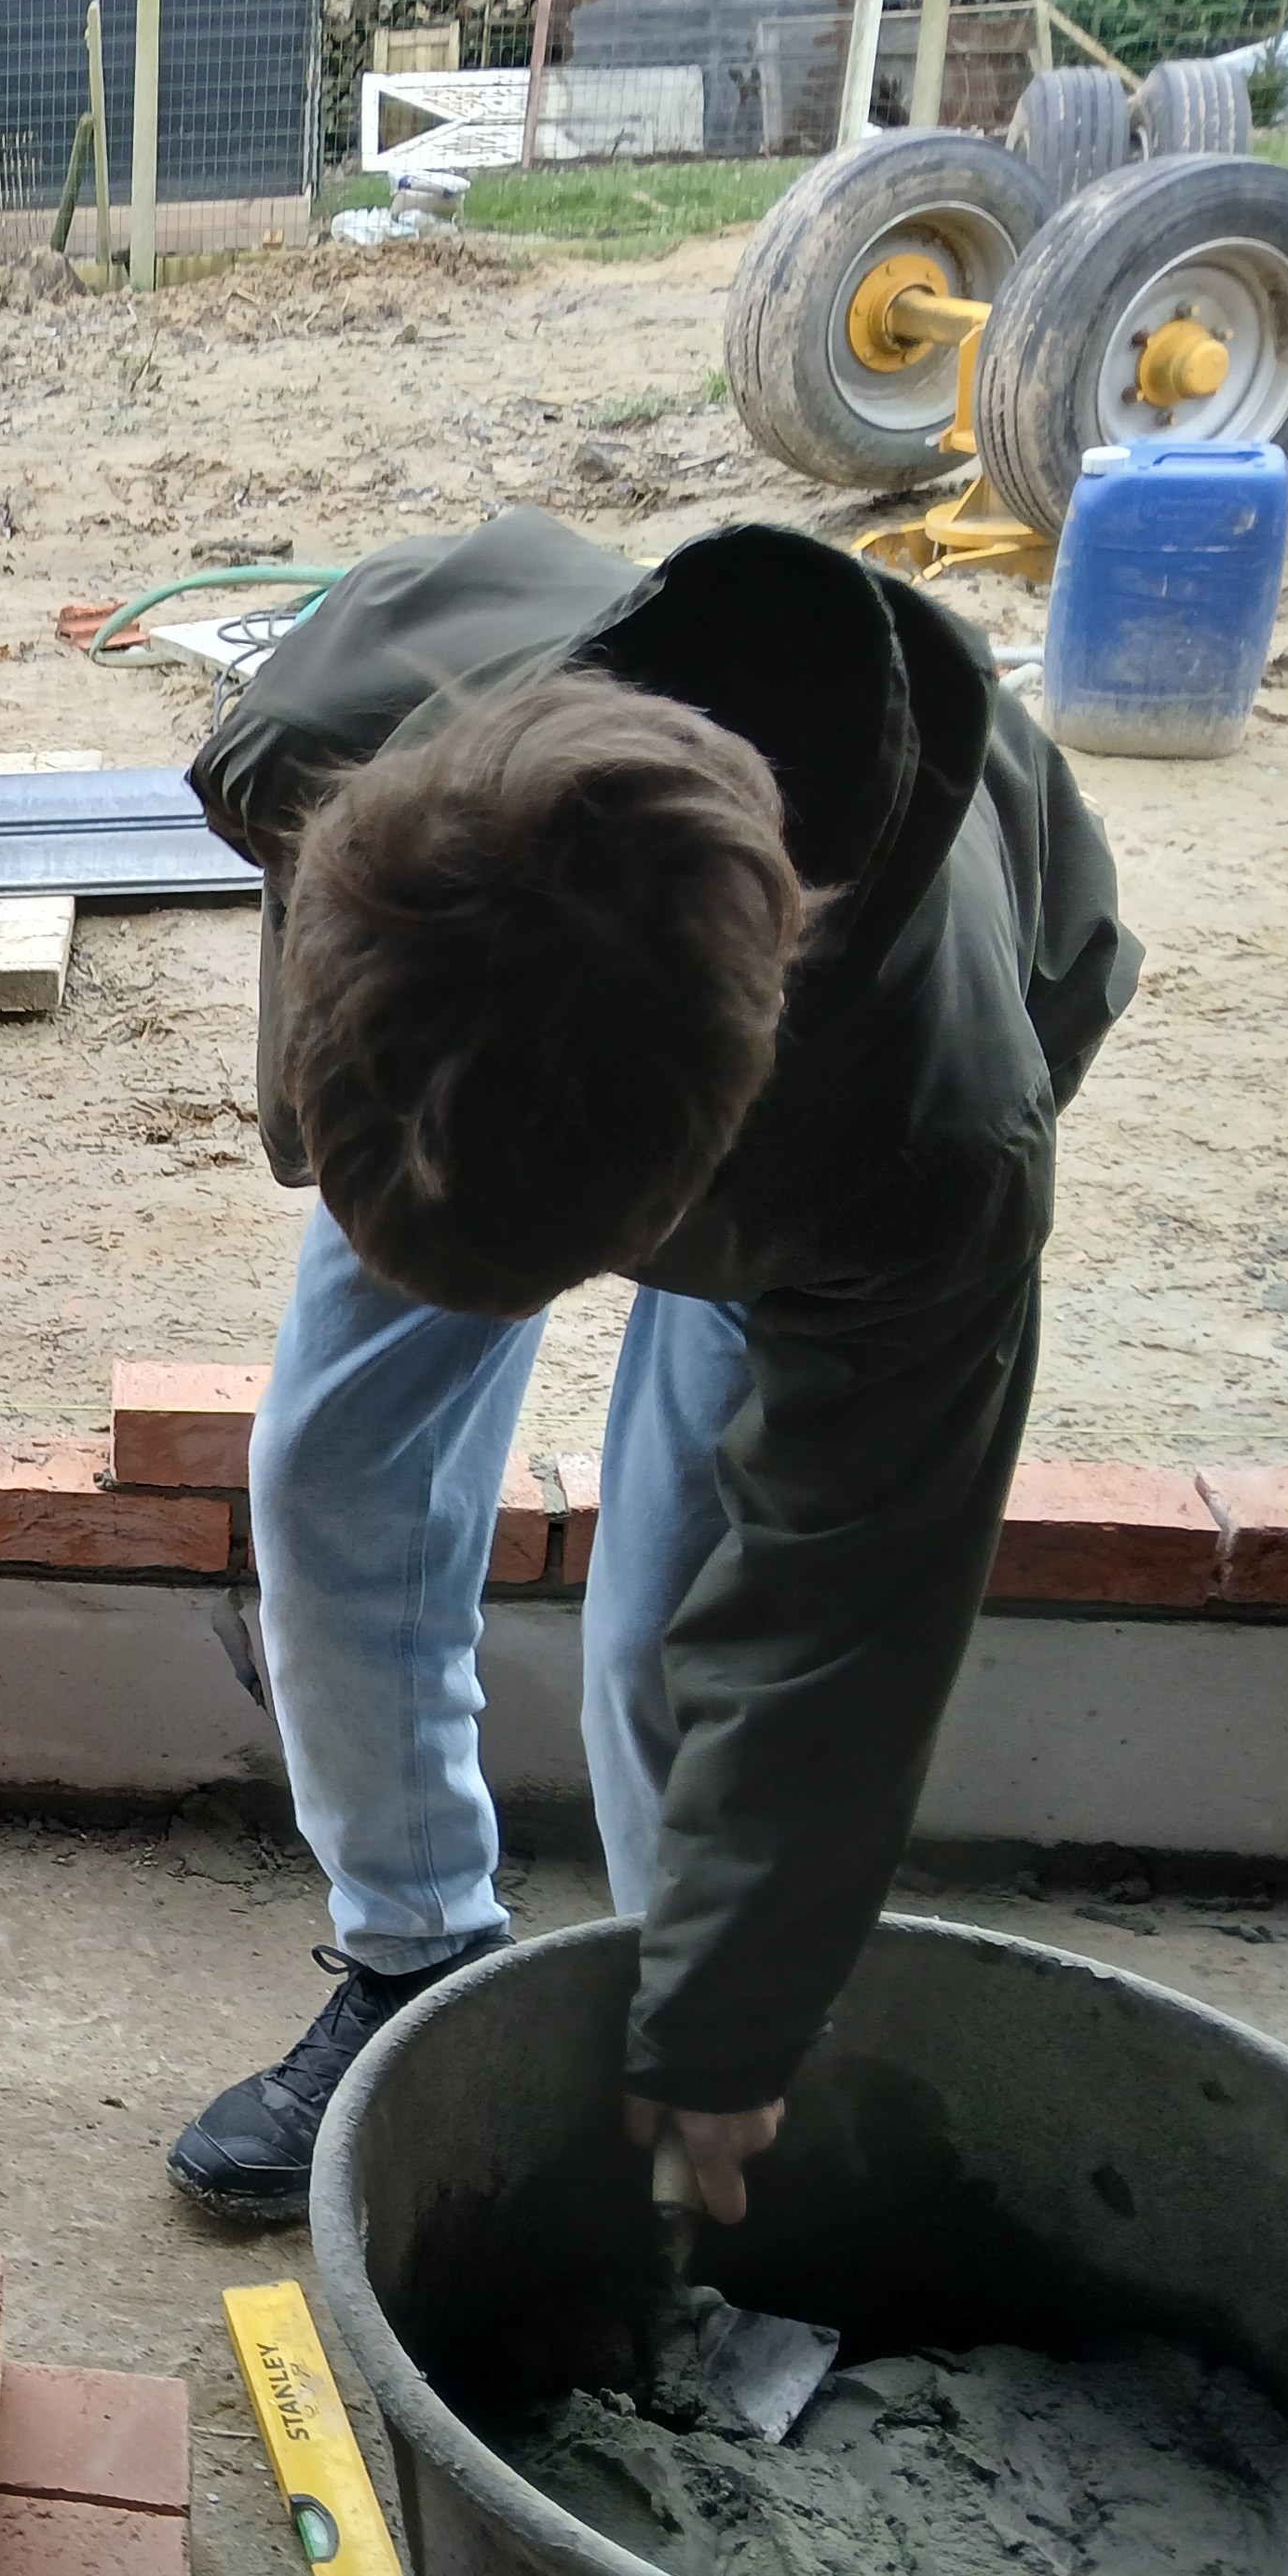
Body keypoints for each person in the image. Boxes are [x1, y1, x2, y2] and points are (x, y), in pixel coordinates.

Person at [162, 509, 1136, 2228]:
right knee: (331, 1466)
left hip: (839, 1080)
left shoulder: (925, 1151)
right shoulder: (333, 733)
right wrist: (357, 1114)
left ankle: (645, 2041)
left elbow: (837, 1630)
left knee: (676, 1627)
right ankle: (418, 1958)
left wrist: (727, 2028)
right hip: (479, 1015)